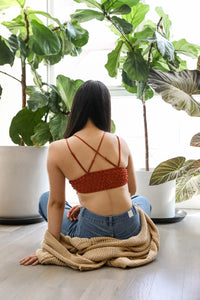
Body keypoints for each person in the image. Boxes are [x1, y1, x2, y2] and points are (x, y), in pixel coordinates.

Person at [20, 80, 151, 266]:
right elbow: (131, 190)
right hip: (128, 228)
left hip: (91, 232)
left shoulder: (58, 148)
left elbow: (56, 203)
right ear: (106, 108)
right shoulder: (120, 141)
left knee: (45, 198)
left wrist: (50, 248)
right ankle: (114, 235)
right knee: (142, 202)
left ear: (76, 108)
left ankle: (89, 227)